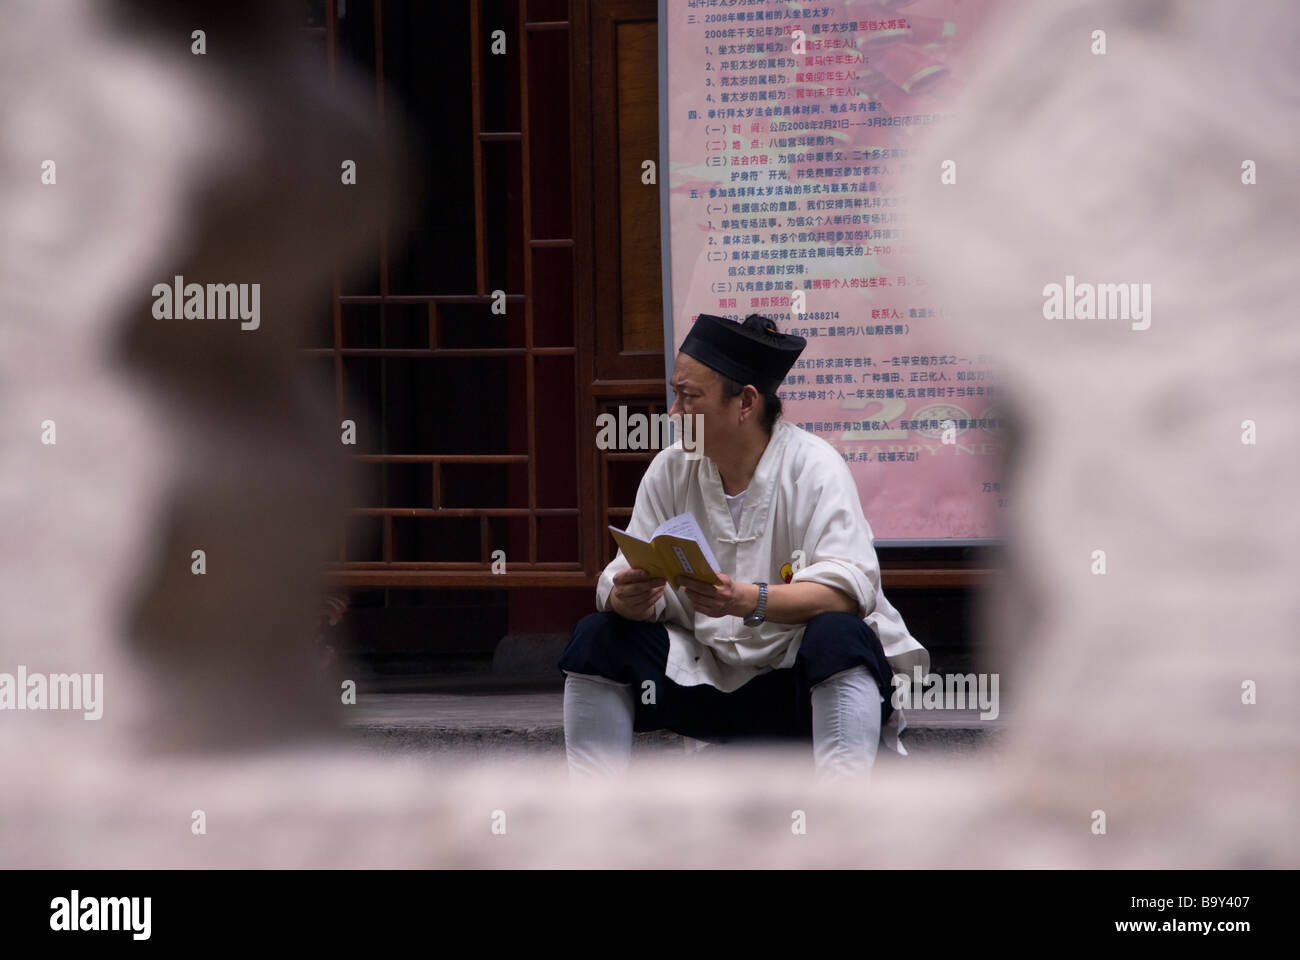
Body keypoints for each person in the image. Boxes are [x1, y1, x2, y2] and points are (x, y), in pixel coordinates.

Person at [558, 313, 929, 779]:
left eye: (689, 397)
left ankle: (843, 815)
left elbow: (848, 589)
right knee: (597, 638)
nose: (673, 412)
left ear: (745, 402)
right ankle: (592, 821)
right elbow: (625, 570)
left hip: (796, 687)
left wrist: (747, 600)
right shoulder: (670, 469)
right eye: (676, 394)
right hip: (705, 679)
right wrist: (626, 596)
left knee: (841, 637)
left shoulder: (814, 468)